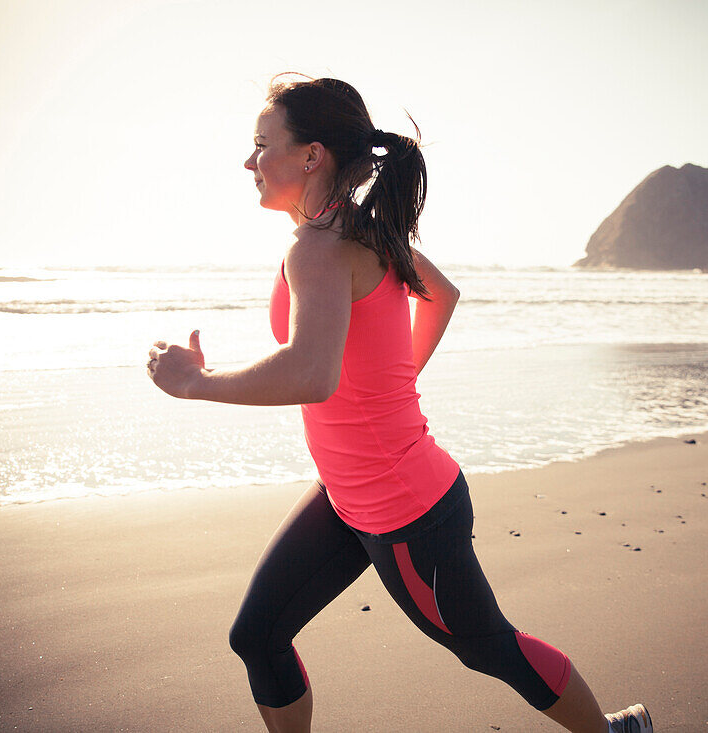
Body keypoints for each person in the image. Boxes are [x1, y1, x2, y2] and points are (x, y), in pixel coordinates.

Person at [147, 76, 652, 733]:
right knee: (258, 634)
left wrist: (196, 382)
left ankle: (613, 731)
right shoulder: (362, 232)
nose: (249, 162)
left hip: (406, 511)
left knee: (487, 646)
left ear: (312, 155)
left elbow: (312, 372)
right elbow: (440, 295)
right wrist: (390, 383)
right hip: (347, 495)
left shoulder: (320, 250)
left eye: (261, 145)